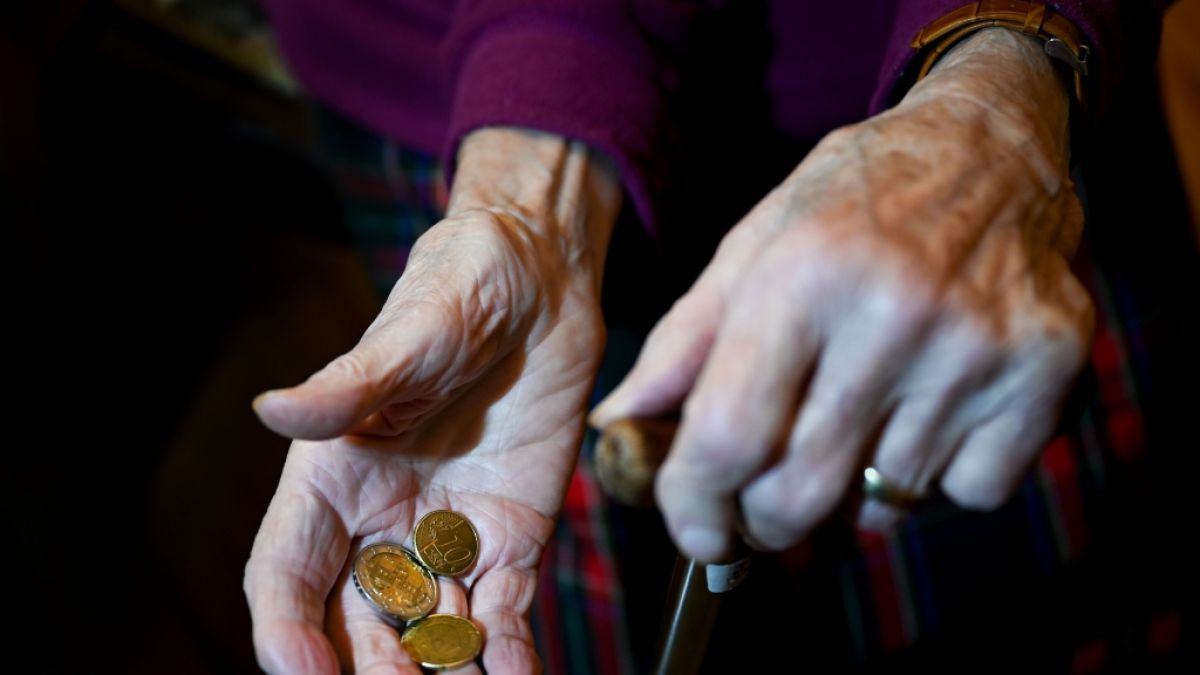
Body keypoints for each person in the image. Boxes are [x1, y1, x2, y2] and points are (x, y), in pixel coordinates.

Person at [245, 1, 1195, 673]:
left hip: (932, 118)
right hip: (441, 84)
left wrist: (997, 95)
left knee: (1042, 603)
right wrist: (528, 188)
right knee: (567, 610)